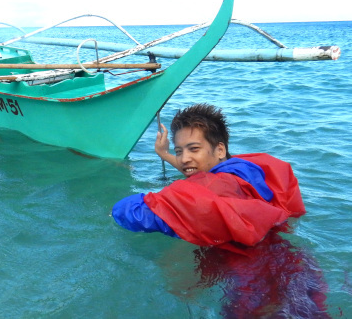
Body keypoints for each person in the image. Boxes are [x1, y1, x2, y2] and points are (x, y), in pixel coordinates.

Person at [112, 103, 306, 251]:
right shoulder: (245, 170)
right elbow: (204, 176)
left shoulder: (216, 188)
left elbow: (141, 214)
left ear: (220, 149)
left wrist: (114, 211)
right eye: (179, 151)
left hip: (253, 276)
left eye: (194, 149)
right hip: (291, 254)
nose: (185, 159)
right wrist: (165, 154)